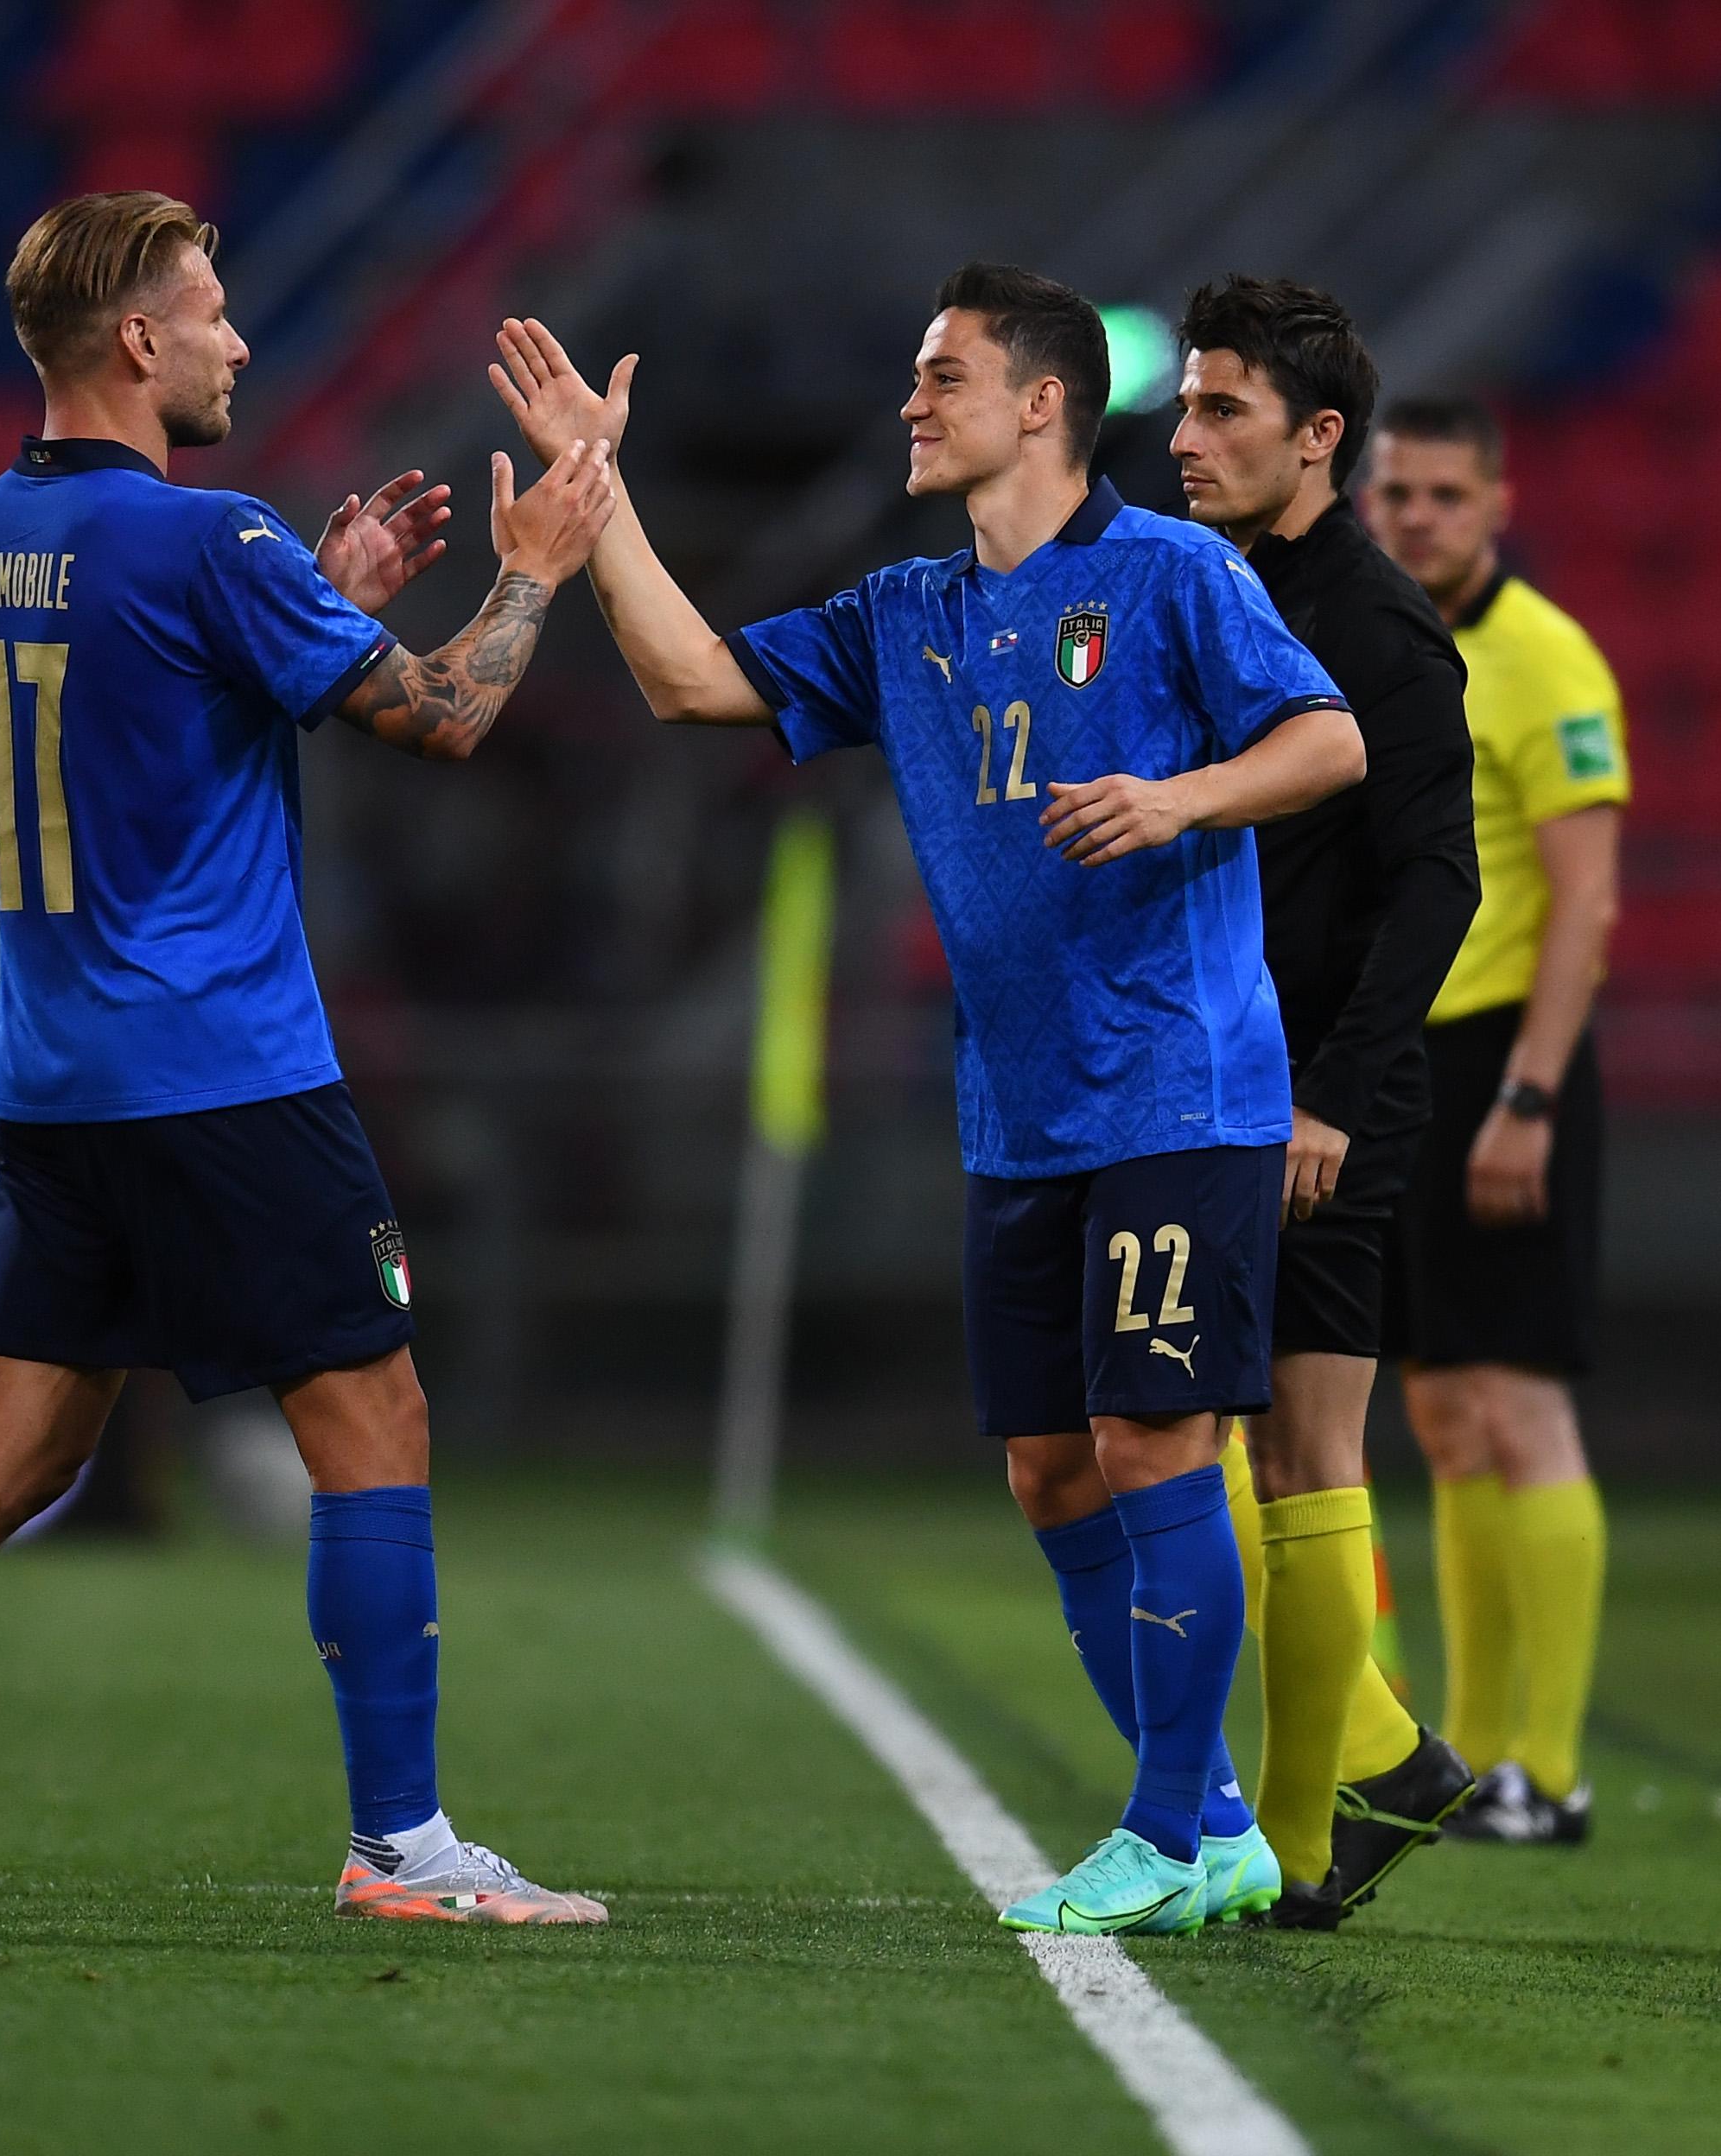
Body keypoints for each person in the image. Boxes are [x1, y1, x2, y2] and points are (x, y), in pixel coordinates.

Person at [0, 190, 619, 1924]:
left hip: (55, 1075)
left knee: (21, 1442)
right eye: (213, 310)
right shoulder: (208, 539)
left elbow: (156, 735)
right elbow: (451, 713)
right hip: (224, 1069)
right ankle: (404, 1851)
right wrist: (535, 572)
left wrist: (309, 612)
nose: (239, 340)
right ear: (136, 343)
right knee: (375, 1417)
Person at [492, 268, 1368, 1937]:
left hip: (1179, 1089)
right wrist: (591, 494)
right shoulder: (905, 613)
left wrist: (1176, 796)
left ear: (1042, 403)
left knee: (1148, 1438)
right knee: (1049, 1469)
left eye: (940, 376)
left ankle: (1169, 1831)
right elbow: (685, 681)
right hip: (1019, 1108)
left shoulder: (1172, 571)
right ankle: (1224, 1826)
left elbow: (1323, 742)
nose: (911, 400)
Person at [1167, 278, 1481, 1928]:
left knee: (1292, 1451)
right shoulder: (1199, 584)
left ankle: (1296, 1840)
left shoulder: (1369, 627)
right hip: (1201, 1079)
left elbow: (1436, 882)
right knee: (1191, 1430)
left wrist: (1333, 1100)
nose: (1185, 435)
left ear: (1316, 438)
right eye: (1185, 404)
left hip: (1310, 1103)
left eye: (1222, 409)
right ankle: (1372, 1762)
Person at [1359, 395, 1628, 1846]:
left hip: (1503, 1069)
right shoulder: (1379, 646)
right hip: (1398, 1060)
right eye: (1394, 494)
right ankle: (1480, 1753)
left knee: (1519, 1406)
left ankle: (1552, 1761)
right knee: (1442, 1415)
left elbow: (1583, 900)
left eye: (1441, 497)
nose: (1412, 520)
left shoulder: (1543, 659)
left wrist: (1527, 1093)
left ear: (1493, 505)